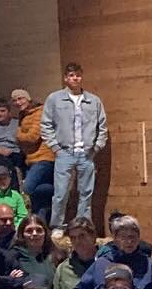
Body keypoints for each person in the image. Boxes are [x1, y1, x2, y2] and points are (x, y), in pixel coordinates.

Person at [41, 63, 108, 229]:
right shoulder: (54, 99)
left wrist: (97, 147)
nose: (75, 78)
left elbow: (103, 126)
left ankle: (82, 226)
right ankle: (56, 226)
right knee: (61, 193)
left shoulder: (93, 100)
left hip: (87, 154)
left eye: (78, 75)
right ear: (65, 78)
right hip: (64, 152)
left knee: (86, 193)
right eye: (71, 75)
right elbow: (46, 124)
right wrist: (55, 147)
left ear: (81, 77)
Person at [12, 88, 54, 217]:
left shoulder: (39, 112)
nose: (18, 102)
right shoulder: (24, 114)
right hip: (31, 159)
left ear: (28, 99)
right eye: (15, 100)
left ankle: (21, 217)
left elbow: (32, 137)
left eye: (21, 98)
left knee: (27, 188)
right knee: (39, 193)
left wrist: (18, 136)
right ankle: (40, 221)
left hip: (44, 158)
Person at [54, 216, 99, 289]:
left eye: (82, 236)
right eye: (73, 238)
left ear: (93, 236)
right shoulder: (63, 269)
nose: (77, 241)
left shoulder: (108, 263)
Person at [11, 214, 56, 286]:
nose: (35, 234)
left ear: (45, 233)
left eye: (39, 230)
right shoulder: (14, 258)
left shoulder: (55, 256)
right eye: (29, 231)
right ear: (22, 235)